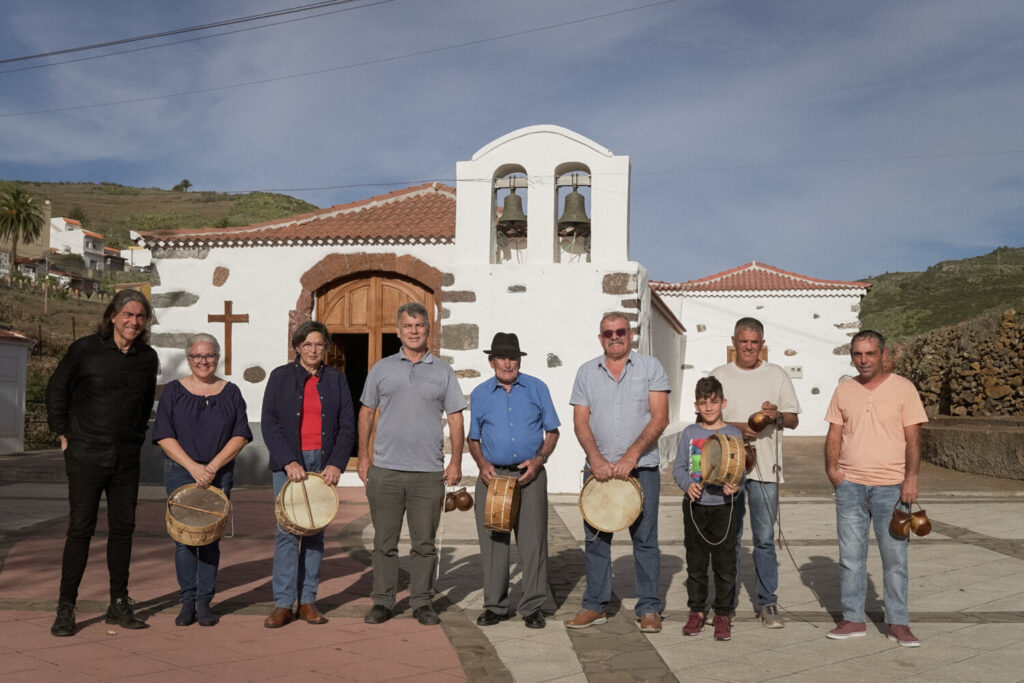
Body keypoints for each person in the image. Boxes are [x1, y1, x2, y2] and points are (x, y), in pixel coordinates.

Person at [45, 289, 159, 637]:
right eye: (127, 314)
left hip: (126, 458)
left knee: (123, 531)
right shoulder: (85, 350)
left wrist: (136, 437)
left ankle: (118, 602)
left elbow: (143, 405)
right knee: (80, 529)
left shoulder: (148, 358)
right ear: (112, 316)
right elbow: (55, 389)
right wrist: (63, 433)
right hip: (85, 454)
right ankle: (66, 607)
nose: (133, 322)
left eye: (140, 316)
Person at [358, 302, 466, 626]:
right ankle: (382, 601)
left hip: (428, 473)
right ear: (398, 330)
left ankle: (422, 602)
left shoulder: (443, 372)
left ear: (428, 330)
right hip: (386, 471)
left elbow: (456, 418)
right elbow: (366, 412)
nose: (414, 330)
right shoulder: (381, 369)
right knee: (384, 543)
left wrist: (456, 460)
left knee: (424, 544)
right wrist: (363, 456)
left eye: (420, 325)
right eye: (408, 325)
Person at [567, 312, 670, 633]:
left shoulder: (650, 367)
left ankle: (650, 608)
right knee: (596, 539)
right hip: (597, 471)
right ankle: (595, 605)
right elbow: (581, 421)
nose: (615, 336)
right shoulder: (586, 372)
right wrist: (595, 459)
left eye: (621, 331)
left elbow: (660, 418)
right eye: (608, 332)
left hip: (642, 470)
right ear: (601, 338)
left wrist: (631, 456)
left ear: (631, 334)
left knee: (646, 540)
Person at [824, 330, 927, 647]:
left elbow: (913, 438)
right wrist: (832, 471)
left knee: (895, 559)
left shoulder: (903, 389)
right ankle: (853, 619)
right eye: (857, 354)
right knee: (851, 558)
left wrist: (910, 479)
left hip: (891, 488)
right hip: (851, 486)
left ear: (883, 355)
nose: (863, 360)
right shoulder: (844, 390)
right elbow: (834, 433)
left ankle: (898, 623)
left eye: (869, 354)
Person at [153, 333, 252, 627]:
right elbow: (163, 435)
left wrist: (211, 467)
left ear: (217, 358)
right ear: (188, 359)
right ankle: (187, 601)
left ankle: (204, 601)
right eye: (196, 356)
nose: (203, 361)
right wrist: (194, 467)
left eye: (208, 356)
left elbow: (241, 434)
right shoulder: (173, 392)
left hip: (218, 473)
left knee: (209, 539)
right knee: (184, 540)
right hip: (181, 472)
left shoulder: (231, 392)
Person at [261, 320, 355, 628]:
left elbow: (346, 426)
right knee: (287, 533)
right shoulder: (280, 377)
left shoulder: (337, 380)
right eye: (308, 344)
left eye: (320, 344)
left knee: (315, 533)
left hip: (322, 463)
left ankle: (308, 601)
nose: (314, 350)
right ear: (298, 346)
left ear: (326, 348)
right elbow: (269, 423)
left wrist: (336, 464)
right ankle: (283, 604)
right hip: (290, 465)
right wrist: (288, 460)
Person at [710, 317, 800, 628]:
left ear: (762, 344)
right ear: (733, 342)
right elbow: (705, 418)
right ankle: (726, 602)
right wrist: (738, 428)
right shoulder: (719, 375)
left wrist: (775, 417)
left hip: (766, 470)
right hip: (728, 468)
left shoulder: (776, 374)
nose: (749, 347)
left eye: (755, 342)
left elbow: (793, 420)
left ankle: (768, 602)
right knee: (728, 538)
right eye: (743, 341)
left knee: (763, 538)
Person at [469, 333, 560, 630]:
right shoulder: (481, 393)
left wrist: (539, 460)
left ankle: (533, 606)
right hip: (493, 476)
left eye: (513, 358)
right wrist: (482, 465)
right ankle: (495, 606)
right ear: (491, 361)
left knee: (533, 543)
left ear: (519, 360)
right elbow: (473, 438)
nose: (507, 363)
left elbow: (553, 432)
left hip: (529, 476)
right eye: (502, 358)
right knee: (494, 542)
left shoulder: (537, 388)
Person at [673, 377, 744, 641]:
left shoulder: (734, 434)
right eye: (703, 403)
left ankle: (723, 613)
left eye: (714, 402)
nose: (709, 407)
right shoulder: (690, 433)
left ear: (723, 403)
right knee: (696, 562)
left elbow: (740, 473)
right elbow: (679, 468)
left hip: (724, 507)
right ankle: (697, 611)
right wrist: (686, 486)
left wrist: (735, 487)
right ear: (696, 405)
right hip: (695, 507)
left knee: (725, 564)